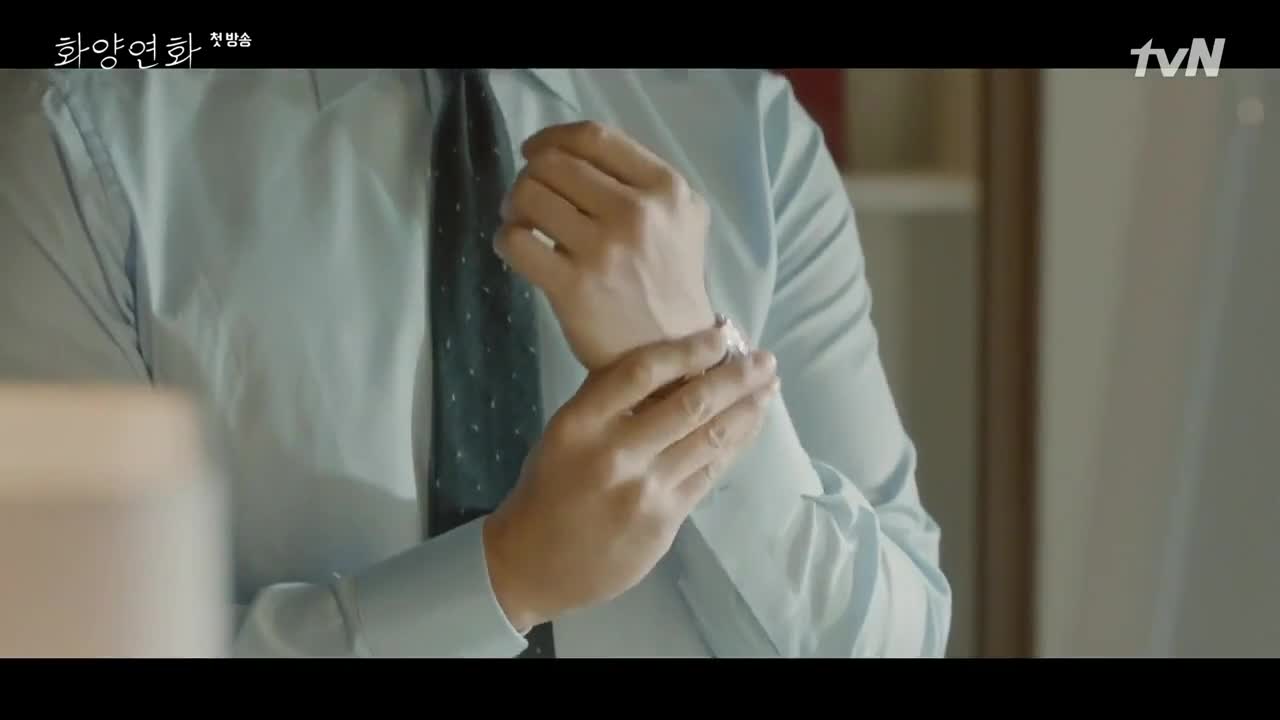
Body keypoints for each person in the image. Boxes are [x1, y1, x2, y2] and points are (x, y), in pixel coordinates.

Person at [0, 68, 951, 657]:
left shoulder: (754, 137)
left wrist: (688, 366)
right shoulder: (79, 138)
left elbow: (892, 641)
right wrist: (501, 580)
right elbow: (59, 639)